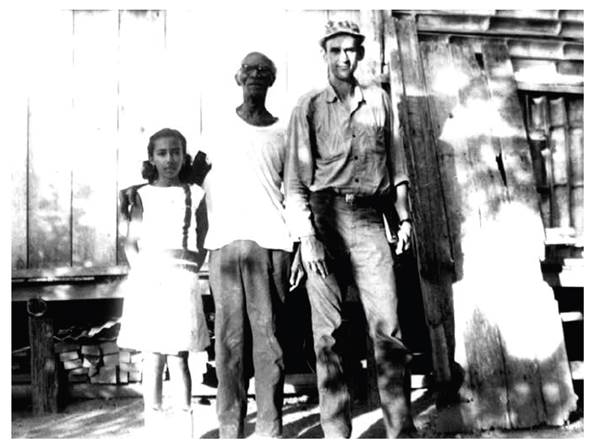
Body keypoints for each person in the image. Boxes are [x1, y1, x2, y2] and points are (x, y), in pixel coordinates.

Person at [284, 20, 415, 438]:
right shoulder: (308, 106)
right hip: (324, 221)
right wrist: (307, 239)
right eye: (336, 50)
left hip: (371, 220)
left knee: (388, 329)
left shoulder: (379, 101)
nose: (344, 58)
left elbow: (397, 165)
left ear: (360, 53)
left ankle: (400, 431)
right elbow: (295, 183)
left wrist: (404, 217)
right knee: (328, 335)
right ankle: (336, 433)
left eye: (351, 50)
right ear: (324, 54)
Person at [197, 51, 303, 438]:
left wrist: (297, 245)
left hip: (272, 244)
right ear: (238, 78)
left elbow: (295, 191)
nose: (256, 75)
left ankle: (270, 428)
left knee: (269, 340)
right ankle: (230, 428)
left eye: (264, 71)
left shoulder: (284, 132)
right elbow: (190, 178)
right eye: (249, 70)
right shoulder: (216, 128)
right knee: (229, 342)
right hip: (225, 244)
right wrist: (139, 186)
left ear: (272, 80)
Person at [117, 128, 210, 438]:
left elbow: (203, 239)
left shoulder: (195, 194)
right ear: (152, 158)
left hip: (181, 280)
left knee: (179, 355)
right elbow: (131, 243)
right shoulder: (143, 195)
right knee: (153, 356)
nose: (169, 159)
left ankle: (185, 428)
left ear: (184, 156)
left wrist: (189, 270)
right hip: (150, 280)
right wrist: (145, 274)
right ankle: (154, 429)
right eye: (162, 153)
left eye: (175, 152)